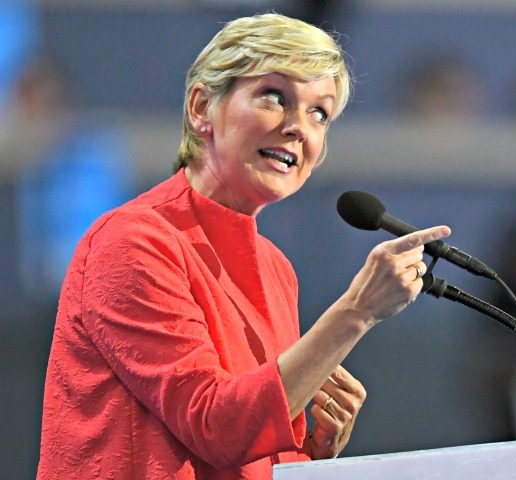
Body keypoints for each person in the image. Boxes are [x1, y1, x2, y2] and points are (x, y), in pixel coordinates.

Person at [37, 13, 451, 479]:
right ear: (201, 108)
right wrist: (356, 311)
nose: (299, 127)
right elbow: (217, 428)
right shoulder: (134, 241)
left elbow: (242, 439)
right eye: (275, 97)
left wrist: (309, 452)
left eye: (320, 113)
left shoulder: (276, 268)